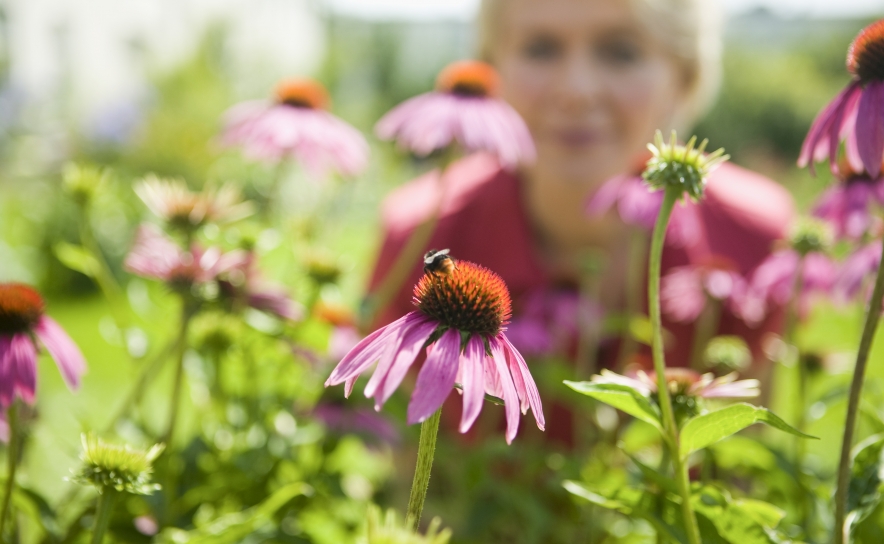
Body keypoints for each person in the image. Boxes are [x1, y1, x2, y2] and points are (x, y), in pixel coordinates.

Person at [366, 0, 794, 441]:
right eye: (541, 48)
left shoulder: (756, 241)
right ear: (492, 70)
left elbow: (747, 469)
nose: (576, 89)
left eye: (620, 52)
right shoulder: (420, 236)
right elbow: (402, 467)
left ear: (683, 78)